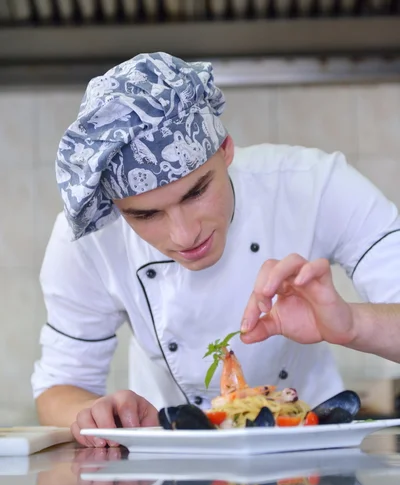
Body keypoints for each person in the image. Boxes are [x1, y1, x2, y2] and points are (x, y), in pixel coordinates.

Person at [32, 52, 400, 447]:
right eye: (145, 215)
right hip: (171, 466)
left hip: (316, 456)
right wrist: (94, 411)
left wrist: (350, 324)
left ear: (225, 150)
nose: (185, 234)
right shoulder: (89, 242)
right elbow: (60, 386)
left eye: (197, 192)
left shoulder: (316, 185)